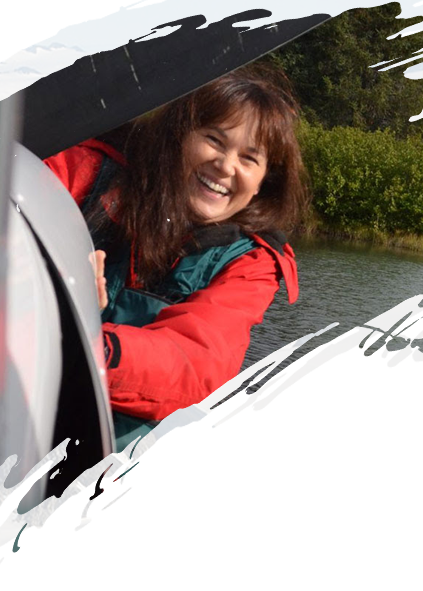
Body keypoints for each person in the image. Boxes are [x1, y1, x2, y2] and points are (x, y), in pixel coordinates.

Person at [43, 63, 308, 452]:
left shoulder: (251, 265)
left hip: (81, 451)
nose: (226, 165)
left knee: (54, 517)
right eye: (215, 140)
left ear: (262, 183)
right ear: (177, 137)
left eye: (249, 158)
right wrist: (47, 283)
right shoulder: (87, 167)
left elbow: (195, 362)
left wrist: (90, 345)